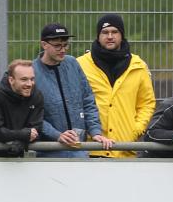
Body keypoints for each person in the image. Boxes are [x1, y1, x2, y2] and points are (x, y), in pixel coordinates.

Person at [77, 14, 156, 158]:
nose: (110, 36)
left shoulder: (138, 66)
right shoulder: (80, 65)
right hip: (91, 148)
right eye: (105, 32)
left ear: (122, 35)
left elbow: (146, 103)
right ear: (98, 36)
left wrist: (135, 129)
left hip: (124, 148)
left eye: (114, 32)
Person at [32, 23, 113, 157]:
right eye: (57, 46)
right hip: (49, 152)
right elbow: (33, 115)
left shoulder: (72, 63)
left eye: (65, 45)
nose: (63, 50)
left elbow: (88, 101)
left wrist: (95, 132)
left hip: (79, 150)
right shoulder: (32, 72)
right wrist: (57, 135)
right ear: (44, 45)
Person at [0, 59, 44, 157]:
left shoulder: (37, 95)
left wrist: (21, 143)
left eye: (32, 79)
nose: (29, 84)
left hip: (24, 159)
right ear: (11, 80)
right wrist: (23, 135)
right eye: (24, 79)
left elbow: (36, 129)